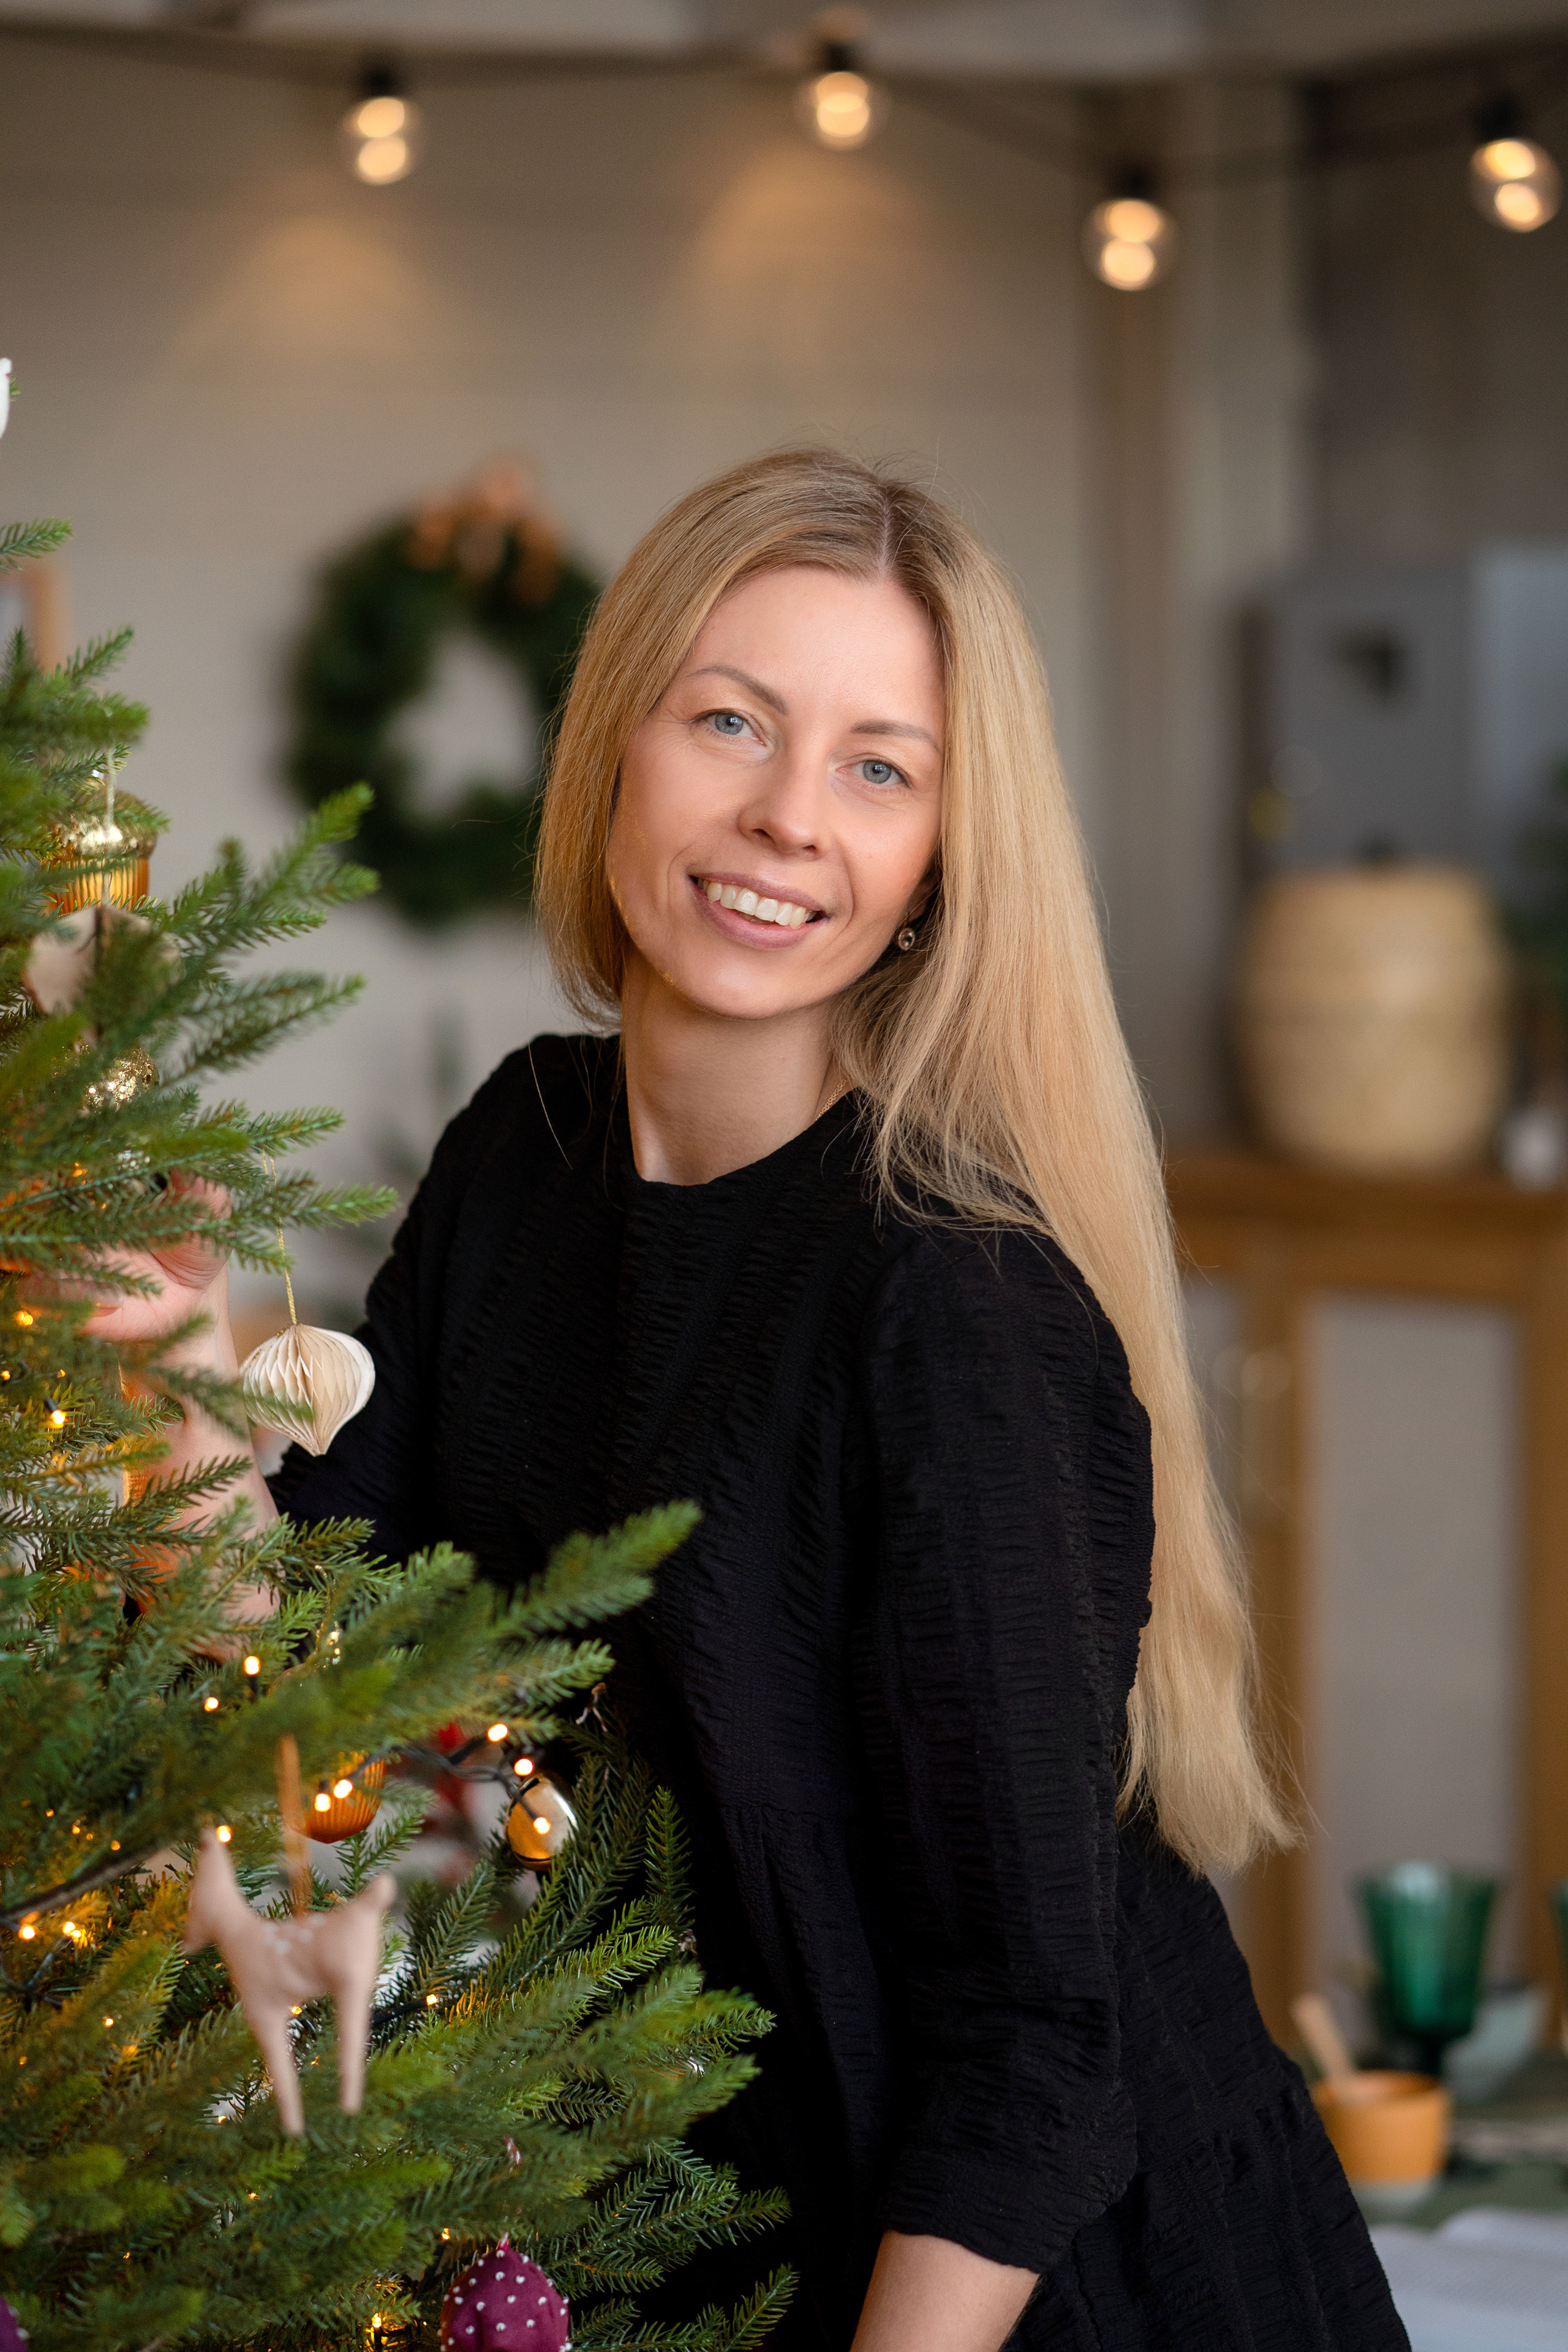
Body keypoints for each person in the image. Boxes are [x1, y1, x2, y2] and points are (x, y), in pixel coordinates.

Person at [105, 450, 1408, 2352]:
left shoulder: (952, 1306)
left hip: (1021, 2291)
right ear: (616, 747)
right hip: (685, 2243)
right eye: (731, 721)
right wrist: (163, 1370)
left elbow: (1036, 2056)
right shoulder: (522, 1154)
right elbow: (332, 1703)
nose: (790, 817)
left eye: (881, 767)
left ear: (940, 861)